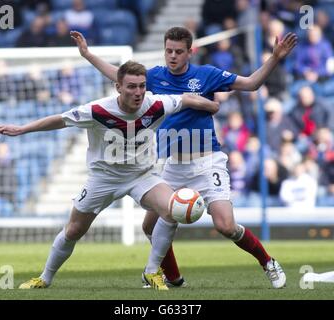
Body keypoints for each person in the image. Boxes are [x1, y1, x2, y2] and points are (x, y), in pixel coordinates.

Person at [71, 27, 297, 289]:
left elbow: (251, 83)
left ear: (191, 52)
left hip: (206, 161)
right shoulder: (154, 77)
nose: (173, 56)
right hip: (172, 166)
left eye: (179, 51)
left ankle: (267, 261)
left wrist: (275, 58)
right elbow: (119, 76)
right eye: (169, 51)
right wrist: (88, 55)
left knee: (226, 226)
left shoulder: (207, 75)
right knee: (149, 226)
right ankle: (174, 278)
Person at [0, 61, 219, 291]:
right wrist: (22, 129)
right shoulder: (98, 109)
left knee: (173, 210)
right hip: (103, 178)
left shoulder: (157, 103)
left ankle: (152, 271)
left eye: (142, 86)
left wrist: (211, 106)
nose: (138, 92)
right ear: (118, 87)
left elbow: (187, 99)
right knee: (74, 230)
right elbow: (60, 120)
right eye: (131, 86)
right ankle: (45, 278)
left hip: (142, 175)